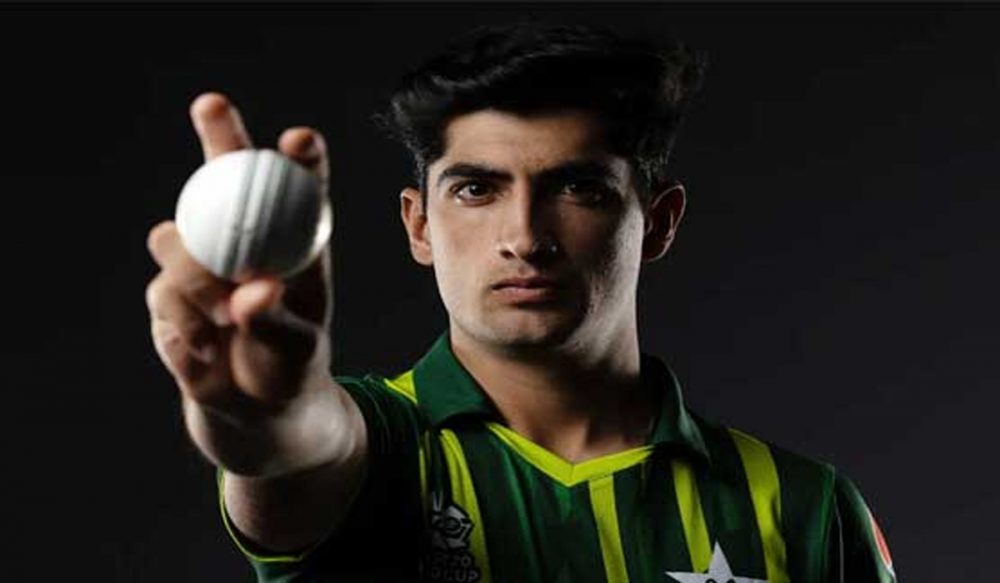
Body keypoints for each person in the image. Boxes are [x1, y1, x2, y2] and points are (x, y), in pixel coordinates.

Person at [145, 23, 898, 583]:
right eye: (477, 189)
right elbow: (296, 450)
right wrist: (259, 413)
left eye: (579, 188)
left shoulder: (806, 507)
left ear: (659, 221)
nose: (525, 237)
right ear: (419, 225)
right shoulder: (379, 450)